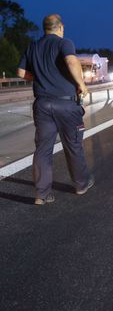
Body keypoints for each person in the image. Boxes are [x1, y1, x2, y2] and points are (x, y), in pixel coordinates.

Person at [17, 14, 94, 205]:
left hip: (42, 104)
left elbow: (20, 72)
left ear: (45, 28)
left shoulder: (33, 46)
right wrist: (81, 84)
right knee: (73, 145)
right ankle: (81, 184)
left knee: (43, 148)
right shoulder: (64, 43)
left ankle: (41, 195)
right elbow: (71, 61)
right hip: (66, 104)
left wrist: (41, 79)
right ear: (60, 27)